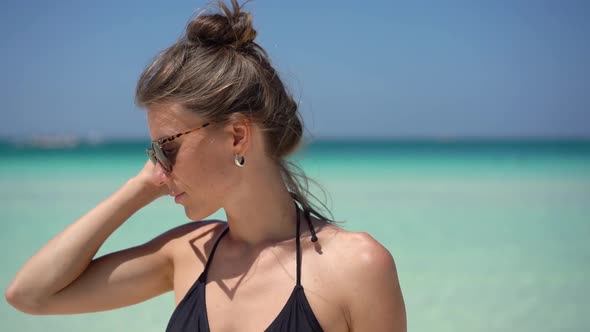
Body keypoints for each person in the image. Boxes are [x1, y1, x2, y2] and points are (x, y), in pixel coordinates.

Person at [5, 0, 406, 331]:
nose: (159, 167)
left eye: (166, 147)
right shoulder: (187, 254)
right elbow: (30, 295)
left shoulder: (356, 267)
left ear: (236, 136)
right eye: (154, 153)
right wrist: (139, 188)